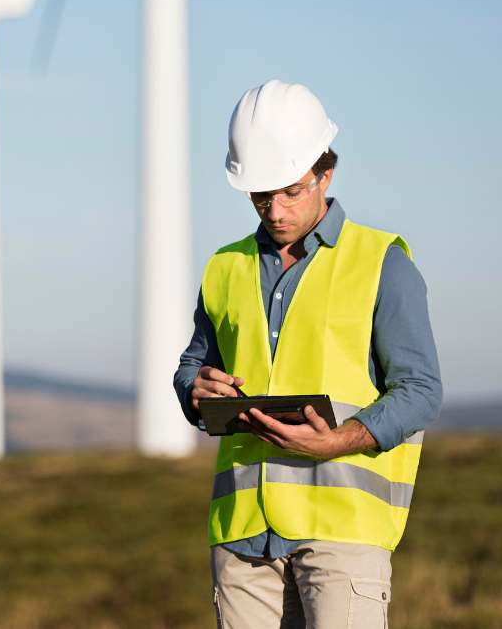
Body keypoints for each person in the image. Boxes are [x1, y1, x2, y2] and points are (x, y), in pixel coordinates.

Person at [173, 79, 442, 628]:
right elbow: (191, 367)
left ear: (326, 173)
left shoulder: (381, 263)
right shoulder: (224, 268)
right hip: (243, 538)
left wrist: (338, 440)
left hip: (341, 533)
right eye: (259, 196)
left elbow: (420, 390)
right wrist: (196, 390)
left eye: (290, 191)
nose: (274, 210)